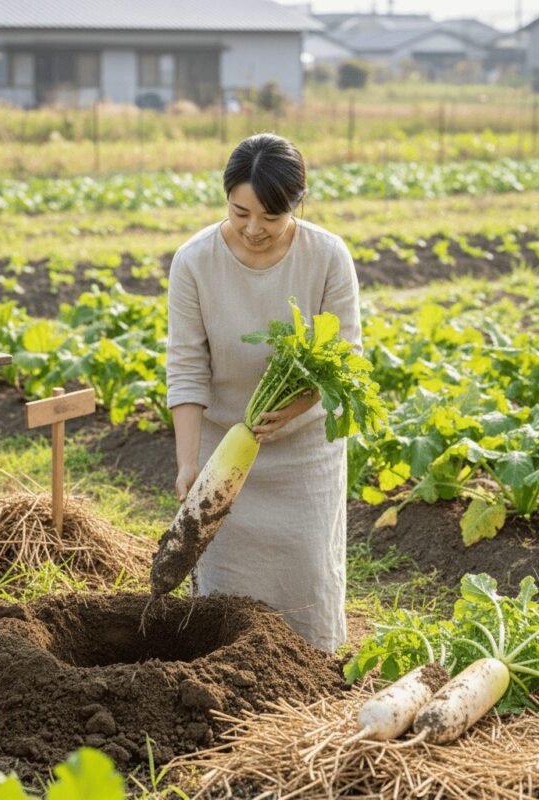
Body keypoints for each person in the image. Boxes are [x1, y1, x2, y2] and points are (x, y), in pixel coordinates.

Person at [165, 133, 362, 653]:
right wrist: (191, 465)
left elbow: (343, 359)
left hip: (303, 452)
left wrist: (293, 407)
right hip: (223, 454)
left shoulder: (327, 256)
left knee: (305, 577)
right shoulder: (193, 262)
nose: (253, 229)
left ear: (296, 204)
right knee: (227, 590)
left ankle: (311, 679)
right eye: (239, 212)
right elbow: (186, 367)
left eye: (270, 218)